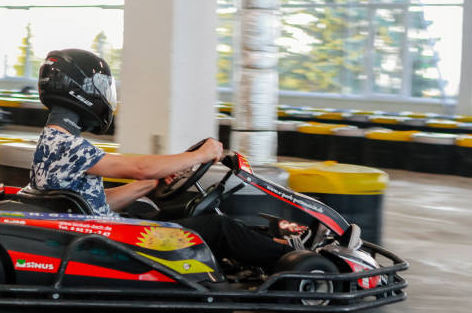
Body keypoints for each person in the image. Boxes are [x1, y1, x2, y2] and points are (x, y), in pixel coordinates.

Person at [23, 49, 296, 270]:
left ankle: (272, 245)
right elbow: (139, 168)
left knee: (184, 210)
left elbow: (92, 202)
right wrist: (199, 155)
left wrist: (150, 185)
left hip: (101, 229)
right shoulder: (67, 145)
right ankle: (292, 258)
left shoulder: (52, 141)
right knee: (218, 226)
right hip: (109, 242)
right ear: (80, 89)